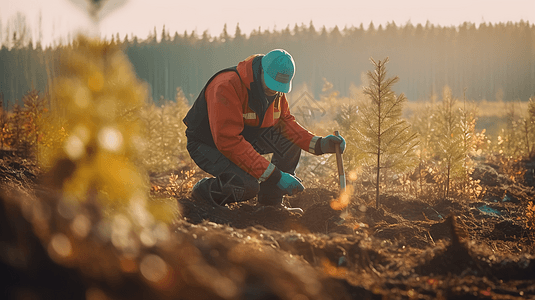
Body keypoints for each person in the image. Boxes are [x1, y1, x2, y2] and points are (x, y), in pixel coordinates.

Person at [183, 49, 345, 213]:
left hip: (245, 139)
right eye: (272, 85)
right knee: (247, 186)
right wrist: (277, 176)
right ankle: (203, 193)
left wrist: (320, 144)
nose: (274, 91)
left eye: (279, 88)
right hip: (208, 145)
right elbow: (229, 142)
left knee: (290, 140)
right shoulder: (226, 85)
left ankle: (270, 204)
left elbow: (286, 124)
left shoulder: (276, 90)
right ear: (261, 71)